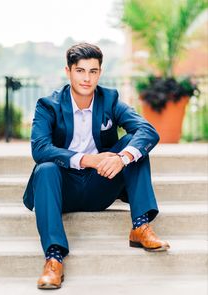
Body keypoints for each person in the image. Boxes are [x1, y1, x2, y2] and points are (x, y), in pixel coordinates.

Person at [23, 42, 170, 290]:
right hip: (64, 188)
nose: (87, 78)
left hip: (100, 184)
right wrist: (85, 159)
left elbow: (147, 131)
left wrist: (121, 158)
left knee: (133, 148)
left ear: (100, 73)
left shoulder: (110, 100)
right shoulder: (48, 105)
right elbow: (40, 149)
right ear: (68, 71)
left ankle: (140, 226)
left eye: (93, 71)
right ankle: (54, 259)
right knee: (45, 168)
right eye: (80, 70)